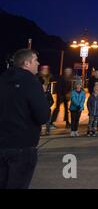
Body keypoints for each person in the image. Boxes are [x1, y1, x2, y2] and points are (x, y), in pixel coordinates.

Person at [0, 49, 50, 189]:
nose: (38, 63)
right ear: (26, 63)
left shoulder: (2, 79)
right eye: (35, 60)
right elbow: (42, 116)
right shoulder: (31, 82)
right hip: (22, 146)